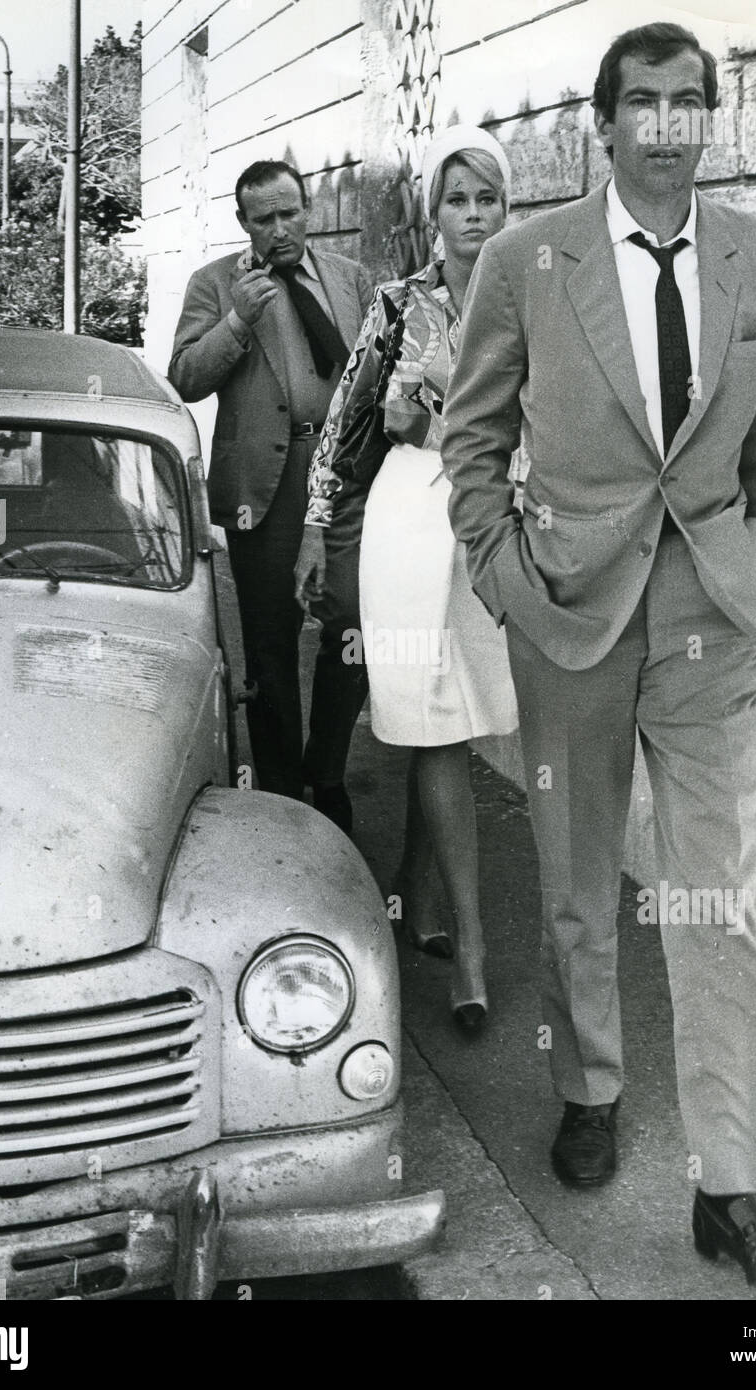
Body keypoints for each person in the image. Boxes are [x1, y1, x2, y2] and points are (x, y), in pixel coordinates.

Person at [442, 24, 756, 1290]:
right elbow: (473, 440)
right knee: (577, 877)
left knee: (717, 896)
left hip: (712, 612)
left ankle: (740, 1186)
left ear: (712, 122)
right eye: (643, 102)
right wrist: (506, 582)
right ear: (602, 126)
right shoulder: (523, 260)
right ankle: (589, 1084)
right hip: (569, 612)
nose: (666, 123)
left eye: (689, 102)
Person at [295, 126, 519, 1035]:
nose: (473, 215)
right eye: (457, 200)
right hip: (409, 522)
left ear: (508, 209)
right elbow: (349, 424)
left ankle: (416, 893)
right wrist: (315, 526)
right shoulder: (396, 306)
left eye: (488, 198)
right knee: (432, 721)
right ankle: (471, 948)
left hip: (496, 523)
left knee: (456, 719)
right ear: (435, 215)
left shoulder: (534, 301)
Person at [168, 160, 374, 830]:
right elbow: (186, 378)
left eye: (291, 214)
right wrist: (234, 322)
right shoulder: (217, 284)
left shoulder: (350, 279)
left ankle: (327, 768)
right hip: (265, 485)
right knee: (271, 641)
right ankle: (284, 792)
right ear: (244, 224)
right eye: (265, 219)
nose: (281, 230)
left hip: (340, 474)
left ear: (308, 209)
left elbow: (373, 369)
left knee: (352, 627)